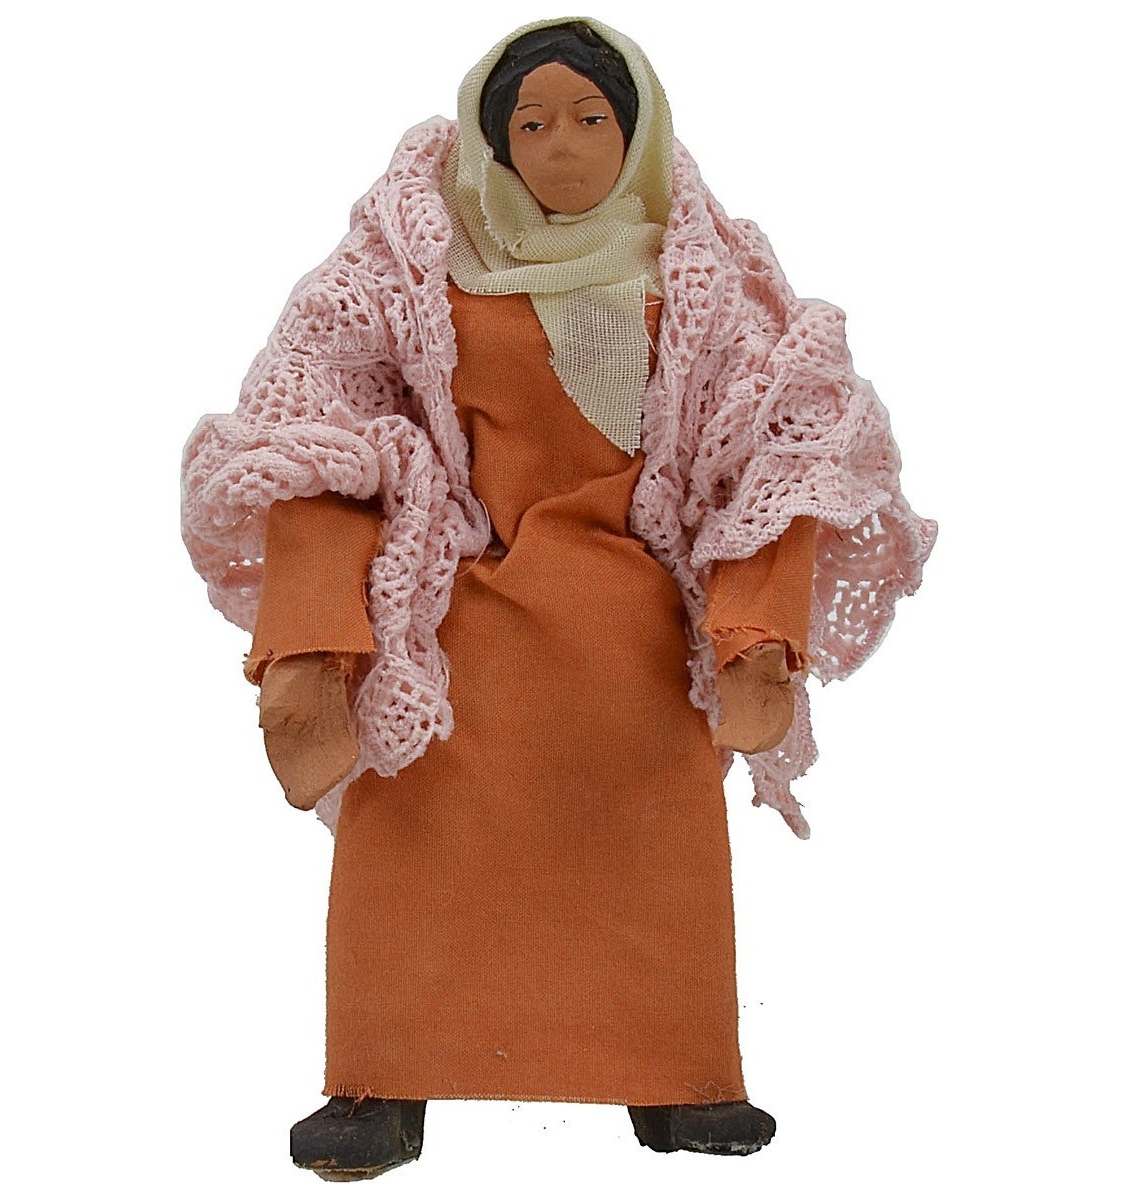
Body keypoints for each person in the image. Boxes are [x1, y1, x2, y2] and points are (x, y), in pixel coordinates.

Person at [181, 16, 936, 1181]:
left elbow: (784, 453)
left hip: (636, 624)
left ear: (637, 134)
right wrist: (314, 641)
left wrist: (755, 627)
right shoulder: (404, 277)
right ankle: (382, 1075)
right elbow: (317, 441)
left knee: (651, 836)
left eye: (590, 119)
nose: (563, 147)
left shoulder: (706, 284)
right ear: (495, 142)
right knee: (417, 828)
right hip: (457, 608)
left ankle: (677, 1075)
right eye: (531, 125)